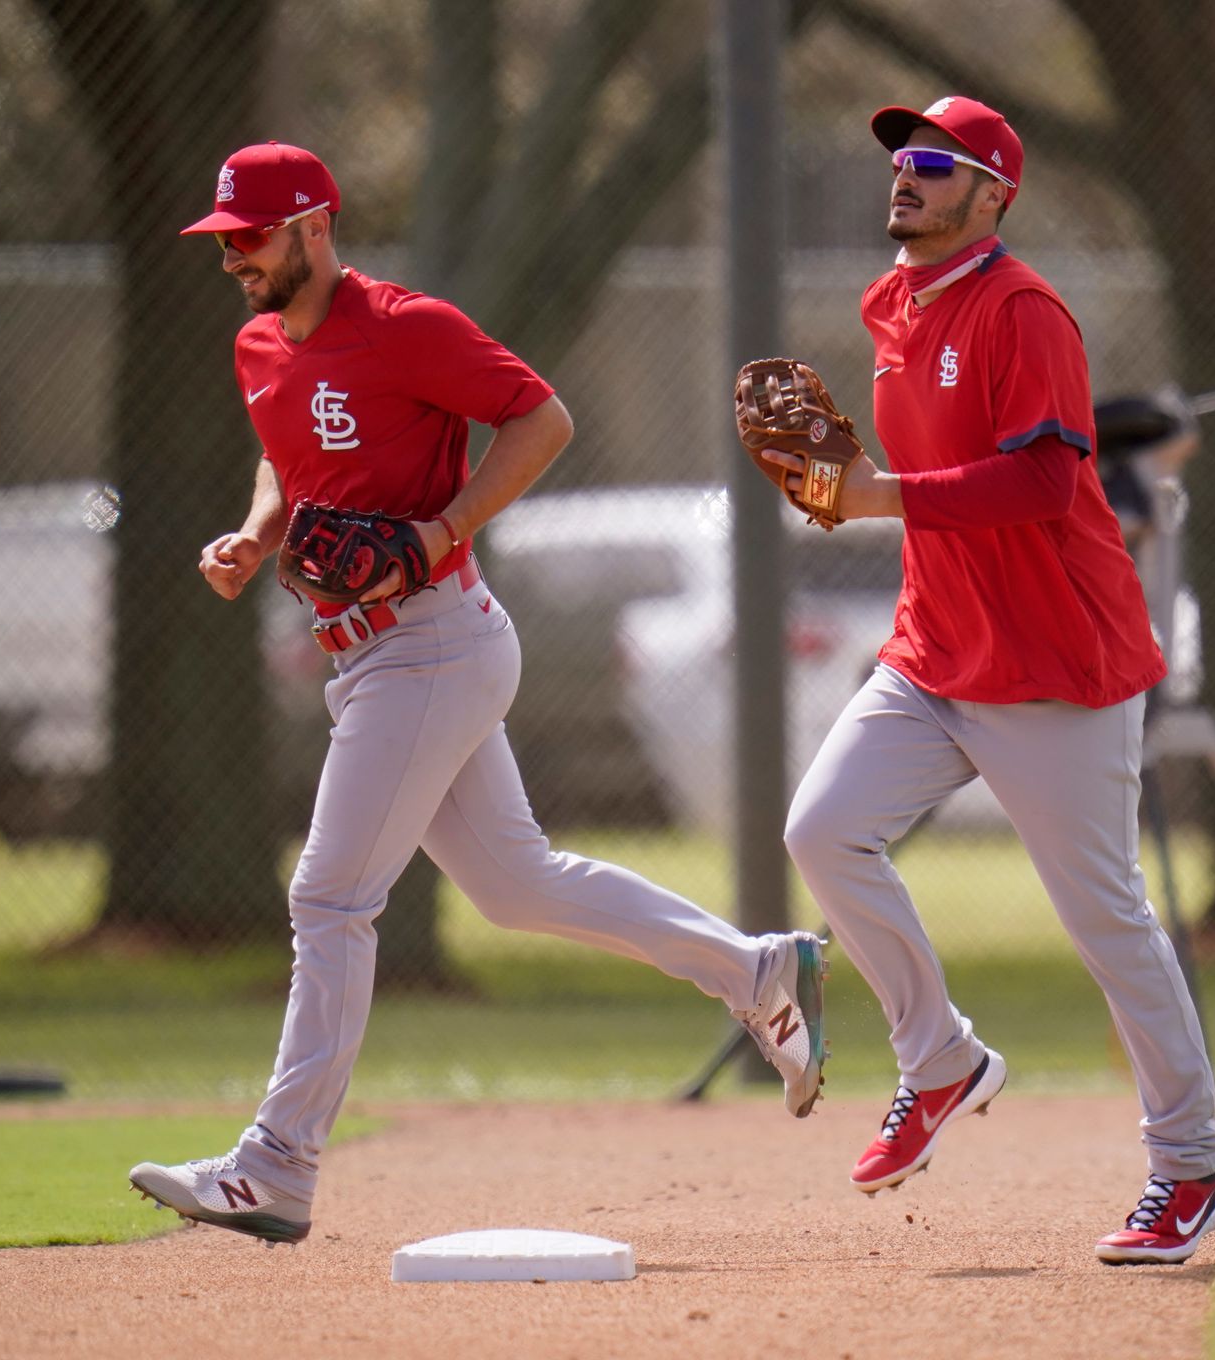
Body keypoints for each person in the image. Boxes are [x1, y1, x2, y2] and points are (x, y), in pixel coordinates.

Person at [128, 142, 827, 1246]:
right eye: (223, 243)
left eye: (249, 239)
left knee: (329, 898)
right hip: (366, 657)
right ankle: (754, 969)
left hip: (434, 641)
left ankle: (278, 1163)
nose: (234, 262)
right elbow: (283, 455)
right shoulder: (259, 341)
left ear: (314, 224)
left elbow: (543, 418)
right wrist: (258, 537)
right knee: (517, 885)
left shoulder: (406, 325)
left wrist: (443, 527)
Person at [760, 97, 1215, 1265]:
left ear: (994, 195)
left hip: (1056, 666)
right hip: (936, 649)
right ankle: (940, 1059)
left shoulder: (1025, 311)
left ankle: (1193, 1166)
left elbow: (1035, 486)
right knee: (823, 830)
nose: (905, 177)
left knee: (1107, 920)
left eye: (934, 163)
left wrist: (875, 495)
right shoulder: (890, 303)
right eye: (900, 159)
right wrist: (857, 495)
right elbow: (914, 478)